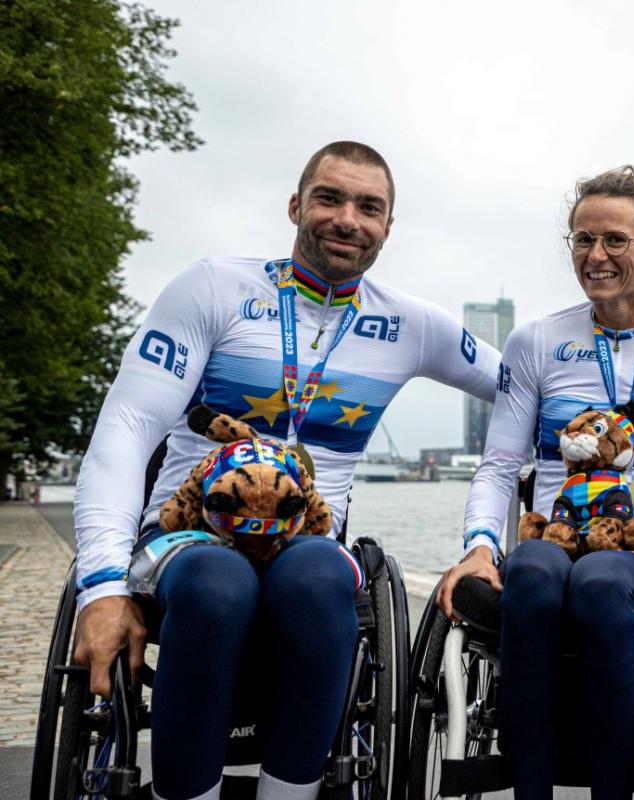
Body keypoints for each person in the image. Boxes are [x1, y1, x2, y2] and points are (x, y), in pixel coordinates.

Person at [72, 141, 502, 800]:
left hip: (307, 542)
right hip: (190, 537)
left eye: (369, 207)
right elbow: (126, 431)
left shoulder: (412, 324)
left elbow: (537, 392)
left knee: (320, 574)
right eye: (329, 198)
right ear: (297, 205)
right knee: (218, 582)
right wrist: (100, 586)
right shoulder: (213, 287)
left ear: (388, 226)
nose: (347, 219)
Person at [436, 166, 634, 800]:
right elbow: (498, 466)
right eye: (582, 239)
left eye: (615, 240)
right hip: (554, 533)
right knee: (534, 571)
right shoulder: (536, 342)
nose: (596, 255)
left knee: (602, 579)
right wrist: (481, 546)